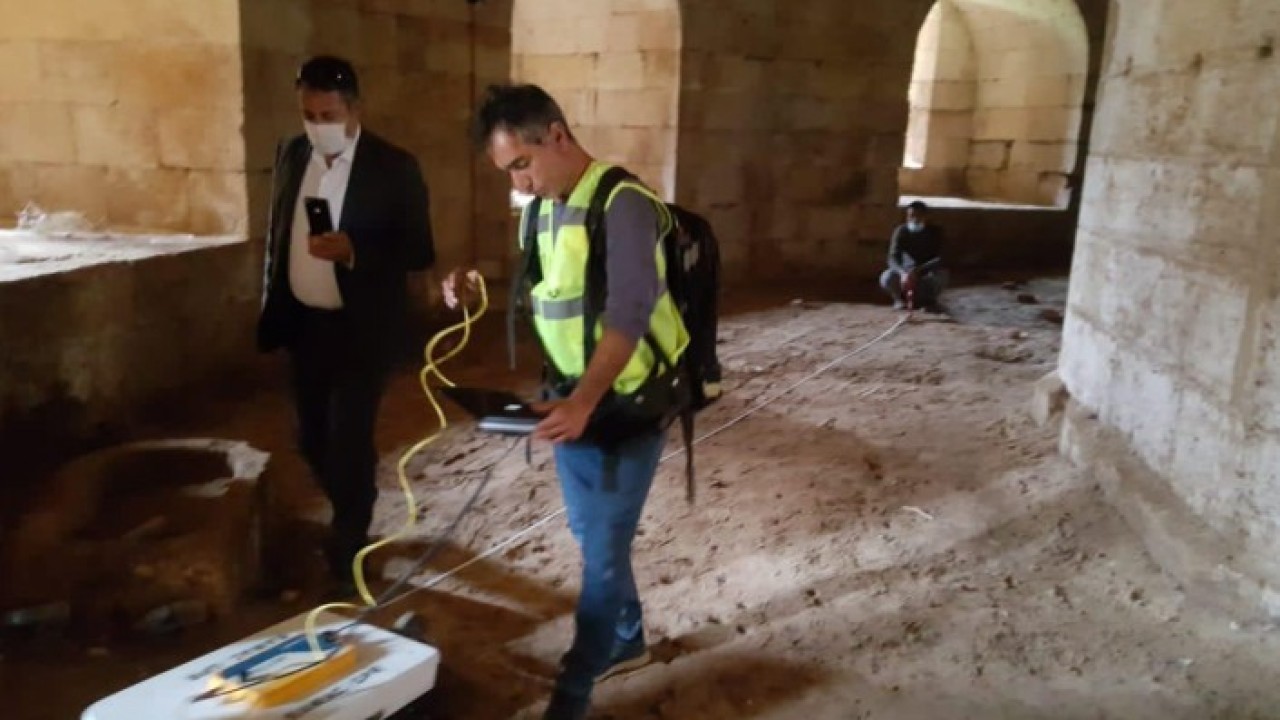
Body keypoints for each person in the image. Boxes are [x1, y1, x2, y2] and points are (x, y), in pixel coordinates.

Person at [443, 84, 688, 720]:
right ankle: (628, 638)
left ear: (556, 135)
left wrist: (583, 400)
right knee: (589, 532)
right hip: (569, 403)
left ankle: (572, 694)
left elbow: (629, 313)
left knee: (602, 553)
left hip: (627, 405)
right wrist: (474, 287)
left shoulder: (624, 204)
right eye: (508, 172)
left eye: (522, 164)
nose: (519, 183)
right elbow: (552, 290)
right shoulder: (540, 211)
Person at [256, 55, 435, 593]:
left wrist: (355, 250)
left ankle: (350, 542)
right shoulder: (292, 153)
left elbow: (418, 249)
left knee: (348, 437)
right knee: (310, 436)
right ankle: (350, 504)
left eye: (328, 115)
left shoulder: (394, 167)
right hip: (305, 325)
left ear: (355, 109)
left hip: (362, 329)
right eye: (309, 115)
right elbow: (279, 231)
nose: (318, 126)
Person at [880, 200, 946, 311]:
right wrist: (902, 273)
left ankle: (928, 302)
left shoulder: (935, 232)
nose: (914, 219)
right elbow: (892, 257)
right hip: (905, 272)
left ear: (926, 216)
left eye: (918, 216)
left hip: (926, 272)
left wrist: (918, 271)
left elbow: (940, 258)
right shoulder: (901, 231)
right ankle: (899, 300)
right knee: (887, 277)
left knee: (941, 276)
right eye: (911, 216)